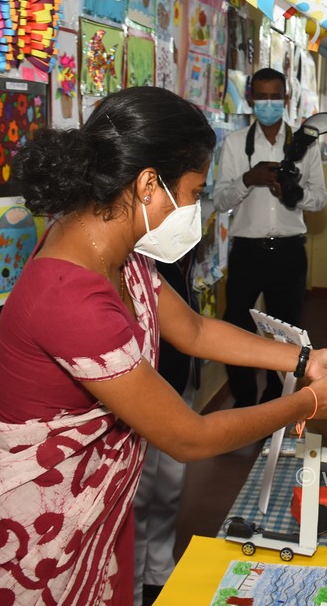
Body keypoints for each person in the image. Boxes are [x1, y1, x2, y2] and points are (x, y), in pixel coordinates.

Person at [0, 87, 327, 605]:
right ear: (149, 184)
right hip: (32, 530)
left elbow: (194, 330)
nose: (195, 207)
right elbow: (188, 438)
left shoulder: (118, 255)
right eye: (194, 193)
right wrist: (308, 403)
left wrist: (306, 359)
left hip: (92, 509)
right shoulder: (70, 295)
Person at [215, 68, 327, 407]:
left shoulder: (304, 145)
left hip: (289, 253)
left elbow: (320, 199)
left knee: (289, 334)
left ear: (286, 99)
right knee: (236, 329)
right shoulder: (236, 143)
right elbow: (220, 201)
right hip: (247, 252)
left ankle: (275, 402)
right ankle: (244, 401)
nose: (268, 104)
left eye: (274, 97)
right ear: (250, 99)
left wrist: (294, 195)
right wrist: (248, 179)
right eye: (261, 97)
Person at [133, 252, 199, 606]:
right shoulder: (129, 260)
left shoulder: (174, 253)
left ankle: (158, 574)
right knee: (139, 497)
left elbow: (195, 328)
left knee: (169, 487)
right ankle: (133, 588)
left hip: (178, 375)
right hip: (143, 390)